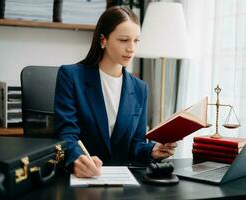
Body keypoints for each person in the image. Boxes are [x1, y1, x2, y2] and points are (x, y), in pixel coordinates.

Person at [54, 6, 177, 178]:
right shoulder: (71, 76)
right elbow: (66, 133)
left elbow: (135, 144)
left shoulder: (140, 88)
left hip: (123, 182)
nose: (131, 48)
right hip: (82, 178)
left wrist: (152, 150)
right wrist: (77, 158)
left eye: (136, 41)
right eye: (124, 40)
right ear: (103, 40)